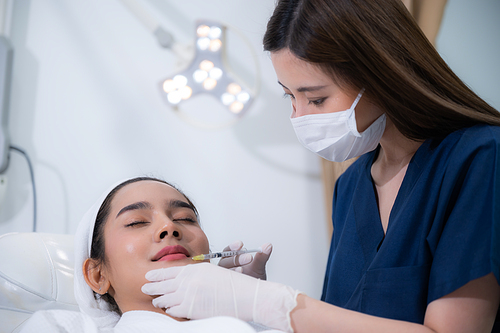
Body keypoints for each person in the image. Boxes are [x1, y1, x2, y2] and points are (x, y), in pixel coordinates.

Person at [140, 0, 500, 332]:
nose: (298, 116)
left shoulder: (478, 158)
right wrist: (250, 312)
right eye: (289, 96)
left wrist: (272, 305)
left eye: (316, 98)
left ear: (381, 74)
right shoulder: (352, 186)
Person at [20, 176, 281, 333]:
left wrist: (261, 311)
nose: (170, 227)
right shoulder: (58, 328)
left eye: (185, 218)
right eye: (136, 222)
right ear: (98, 275)